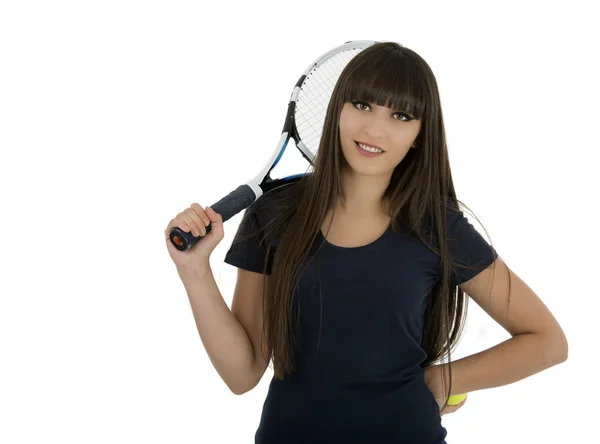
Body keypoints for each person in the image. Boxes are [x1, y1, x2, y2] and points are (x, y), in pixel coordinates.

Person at [164, 42, 568, 443]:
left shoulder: (437, 224)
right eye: (361, 105)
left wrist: (442, 378)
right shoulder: (274, 215)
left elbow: (546, 341)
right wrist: (195, 272)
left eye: (400, 115)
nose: (375, 129)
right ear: (336, 108)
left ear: (419, 136)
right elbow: (242, 374)